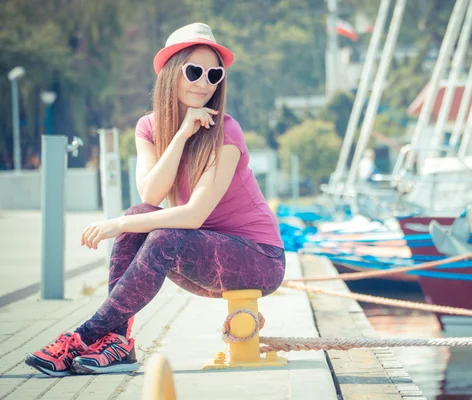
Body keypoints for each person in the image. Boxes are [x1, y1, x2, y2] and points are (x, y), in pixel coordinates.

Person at [25, 22, 285, 377]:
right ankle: (117, 342)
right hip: (206, 254)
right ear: (170, 73)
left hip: (259, 258)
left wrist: (117, 224)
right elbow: (151, 194)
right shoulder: (148, 127)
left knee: (155, 229)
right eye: (194, 71)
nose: (204, 82)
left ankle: (83, 337)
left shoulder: (227, 131)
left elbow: (193, 216)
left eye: (214, 74)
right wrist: (181, 134)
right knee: (140, 214)